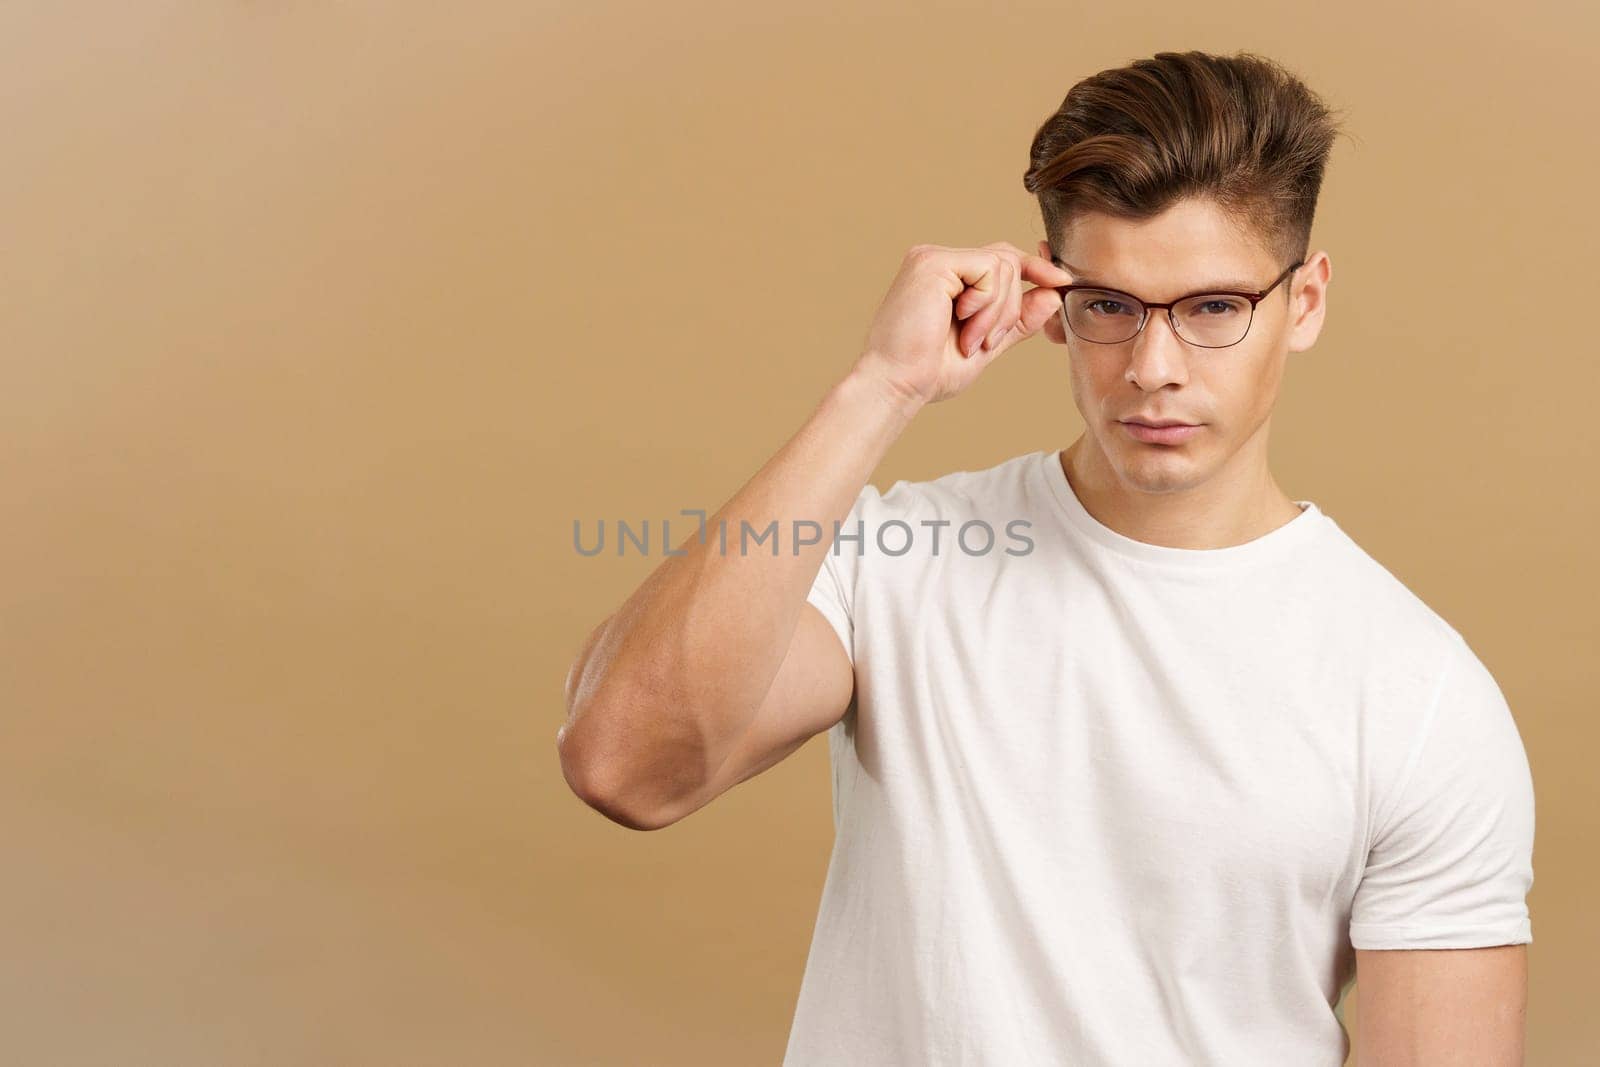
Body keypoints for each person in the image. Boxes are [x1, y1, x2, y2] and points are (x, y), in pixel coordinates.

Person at [557, 49, 1535, 1066]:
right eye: (1108, 305)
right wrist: (879, 388)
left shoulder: (1417, 692)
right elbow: (625, 764)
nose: (1152, 369)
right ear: (1051, 292)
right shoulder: (902, 563)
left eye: (1211, 309)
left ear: (1307, 301)